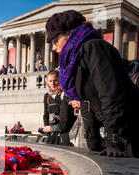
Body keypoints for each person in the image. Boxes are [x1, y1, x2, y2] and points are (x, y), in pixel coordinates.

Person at [46, 10, 139, 157]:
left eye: (55, 41)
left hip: (132, 128)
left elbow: (111, 95)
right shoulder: (76, 59)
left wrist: (113, 140)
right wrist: (93, 142)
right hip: (123, 131)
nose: (53, 48)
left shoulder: (94, 48)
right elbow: (87, 101)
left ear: (69, 34)